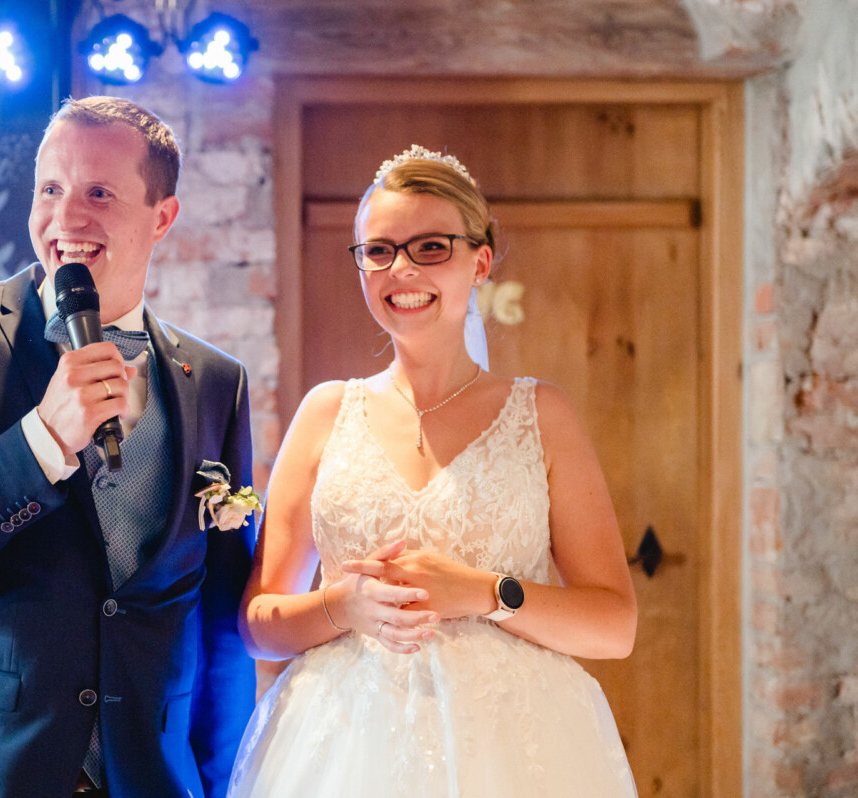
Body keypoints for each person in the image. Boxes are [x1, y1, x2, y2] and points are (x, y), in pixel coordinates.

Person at [0, 96, 256, 798]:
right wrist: (42, 441)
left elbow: (221, 622)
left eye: (100, 192)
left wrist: (223, 782)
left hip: (152, 778)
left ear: (163, 217)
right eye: (50, 189)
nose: (67, 218)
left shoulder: (216, 380)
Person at [228, 146, 639, 796]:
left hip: (516, 752)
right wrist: (343, 605)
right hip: (345, 746)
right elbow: (259, 625)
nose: (401, 270)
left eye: (430, 247)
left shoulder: (542, 414)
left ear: (481, 260)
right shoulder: (326, 413)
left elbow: (614, 626)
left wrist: (484, 592)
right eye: (379, 250)